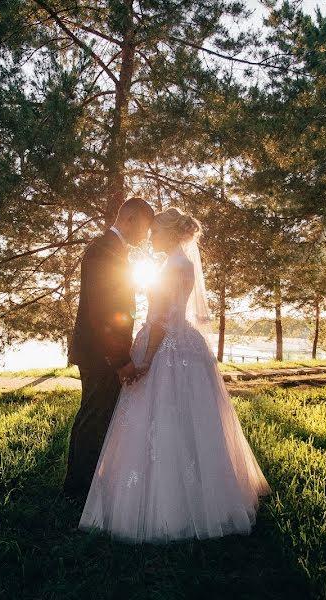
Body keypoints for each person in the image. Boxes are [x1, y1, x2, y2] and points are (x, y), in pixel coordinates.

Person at [78, 207, 272, 543]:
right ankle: (205, 495)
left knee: (162, 419)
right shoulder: (179, 264)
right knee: (191, 422)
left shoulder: (172, 266)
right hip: (186, 347)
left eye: (155, 231)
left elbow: (160, 322)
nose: (150, 237)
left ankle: (164, 504)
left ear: (168, 232)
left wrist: (147, 361)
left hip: (164, 349)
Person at [62, 197, 156, 502]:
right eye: (144, 228)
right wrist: (119, 360)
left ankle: (83, 481)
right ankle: (79, 489)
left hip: (100, 349)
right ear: (129, 219)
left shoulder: (112, 249)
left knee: (95, 414)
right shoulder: (104, 249)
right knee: (93, 415)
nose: (145, 236)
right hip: (98, 352)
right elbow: (103, 310)